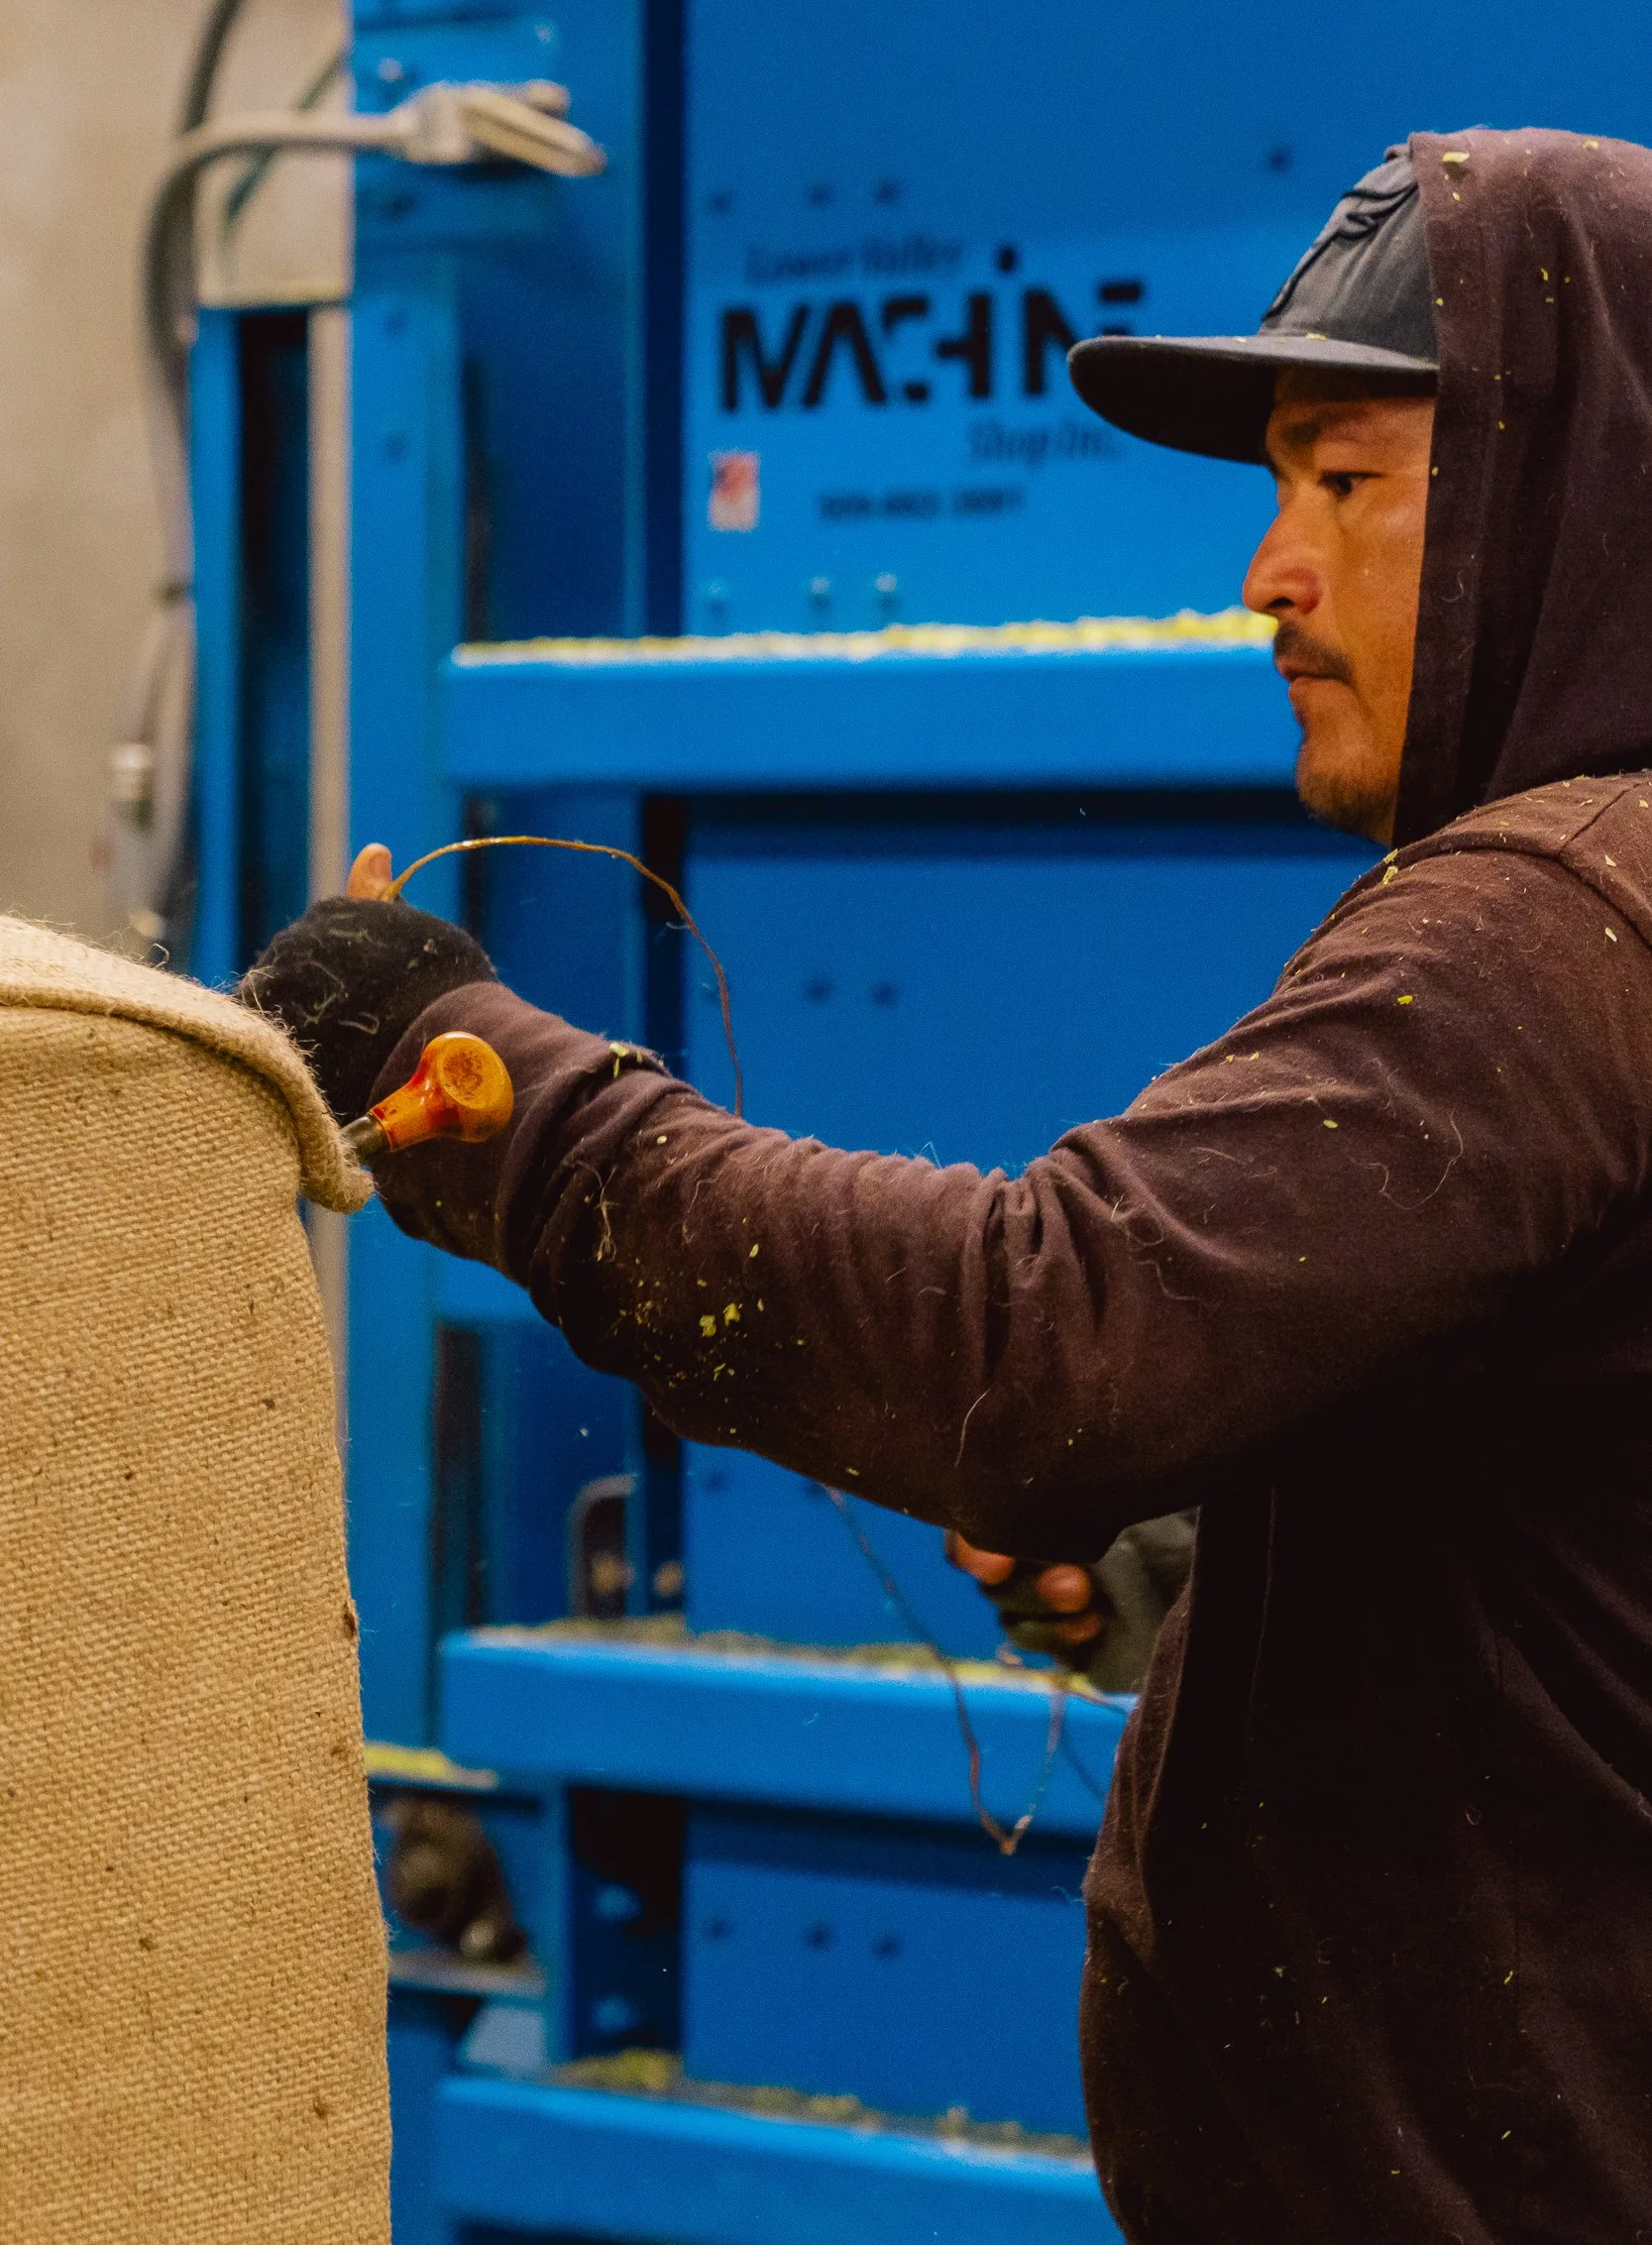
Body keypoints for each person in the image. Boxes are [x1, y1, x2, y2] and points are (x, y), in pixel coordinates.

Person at [246, 128, 1652, 2244]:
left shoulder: (1545, 924)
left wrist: (502, 1102)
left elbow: (1036, 1339)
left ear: (1583, 490)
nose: (1264, 570)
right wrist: (1211, 1568)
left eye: (1338, 481)